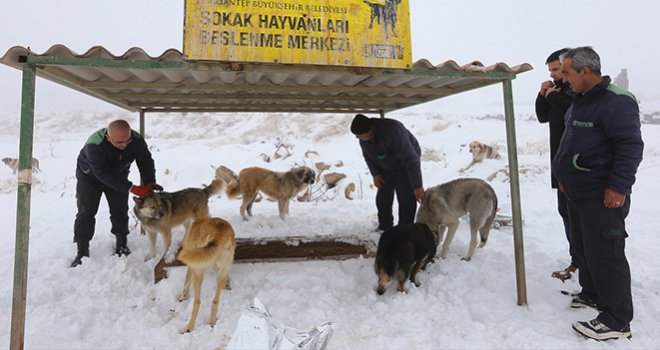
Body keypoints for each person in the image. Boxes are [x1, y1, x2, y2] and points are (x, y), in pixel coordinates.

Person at [553, 47, 643, 340]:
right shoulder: (580, 100)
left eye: (566, 72)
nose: (563, 79)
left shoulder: (616, 101)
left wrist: (618, 187)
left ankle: (617, 319)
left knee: (606, 252)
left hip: (601, 192)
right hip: (578, 190)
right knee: (584, 246)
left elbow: (629, 147)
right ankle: (592, 293)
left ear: (585, 72)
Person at [71, 119, 162, 267]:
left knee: (119, 210)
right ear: (108, 137)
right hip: (90, 177)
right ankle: (82, 251)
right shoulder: (94, 145)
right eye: (119, 143)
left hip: (118, 174)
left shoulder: (137, 140)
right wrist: (132, 188)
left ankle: (121, 244)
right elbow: (102, 174)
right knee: (86, 211)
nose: (124, 145)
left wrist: (149, 182)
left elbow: (145, 161)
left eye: (127, 141)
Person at [535, 47, 578, 281]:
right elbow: (543, 117)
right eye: (550, 70)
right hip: (559, 162)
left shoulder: (575, 93)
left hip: (574, 165)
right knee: (565, 212)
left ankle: (581, 261)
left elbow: (569, 109)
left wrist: (552, 95)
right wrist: (542, 94)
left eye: (555, 70)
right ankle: (577, 259)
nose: (552, 74)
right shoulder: (557, 90)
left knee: (575, 215)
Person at [350, 114, 424, 231]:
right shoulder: (363, 138)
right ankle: (385, 227)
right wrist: (376, 174)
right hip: (385, 165)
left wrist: (417, 186)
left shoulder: (393, 131)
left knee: (406, 198)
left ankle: (404, 230)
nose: (359, 139)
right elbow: (368, 156)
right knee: (383, 198)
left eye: (360, 136)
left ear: (370, 131)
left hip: (404, 165)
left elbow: (411, 160)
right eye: (357, 137)